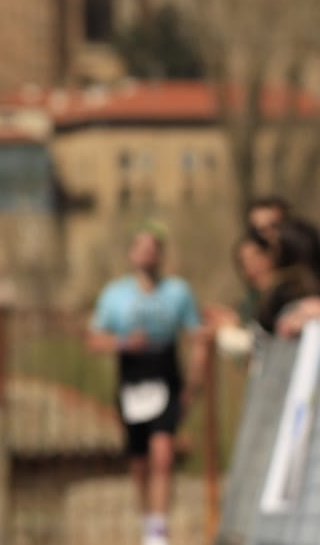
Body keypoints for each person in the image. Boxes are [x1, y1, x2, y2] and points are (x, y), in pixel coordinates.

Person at [87, 225, 206, 545]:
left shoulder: (179, 291)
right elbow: (94, 339)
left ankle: (158, 531)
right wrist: (123, 342)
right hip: (132, 378)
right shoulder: (115, 294)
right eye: (140, 248)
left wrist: (194, 383)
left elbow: (197, 336)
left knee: (163, 452)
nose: (147, 255)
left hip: (166, 375)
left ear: (161, 255)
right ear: (131, 254)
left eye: (153, 248)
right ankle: (147, 519)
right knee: (139, 460)